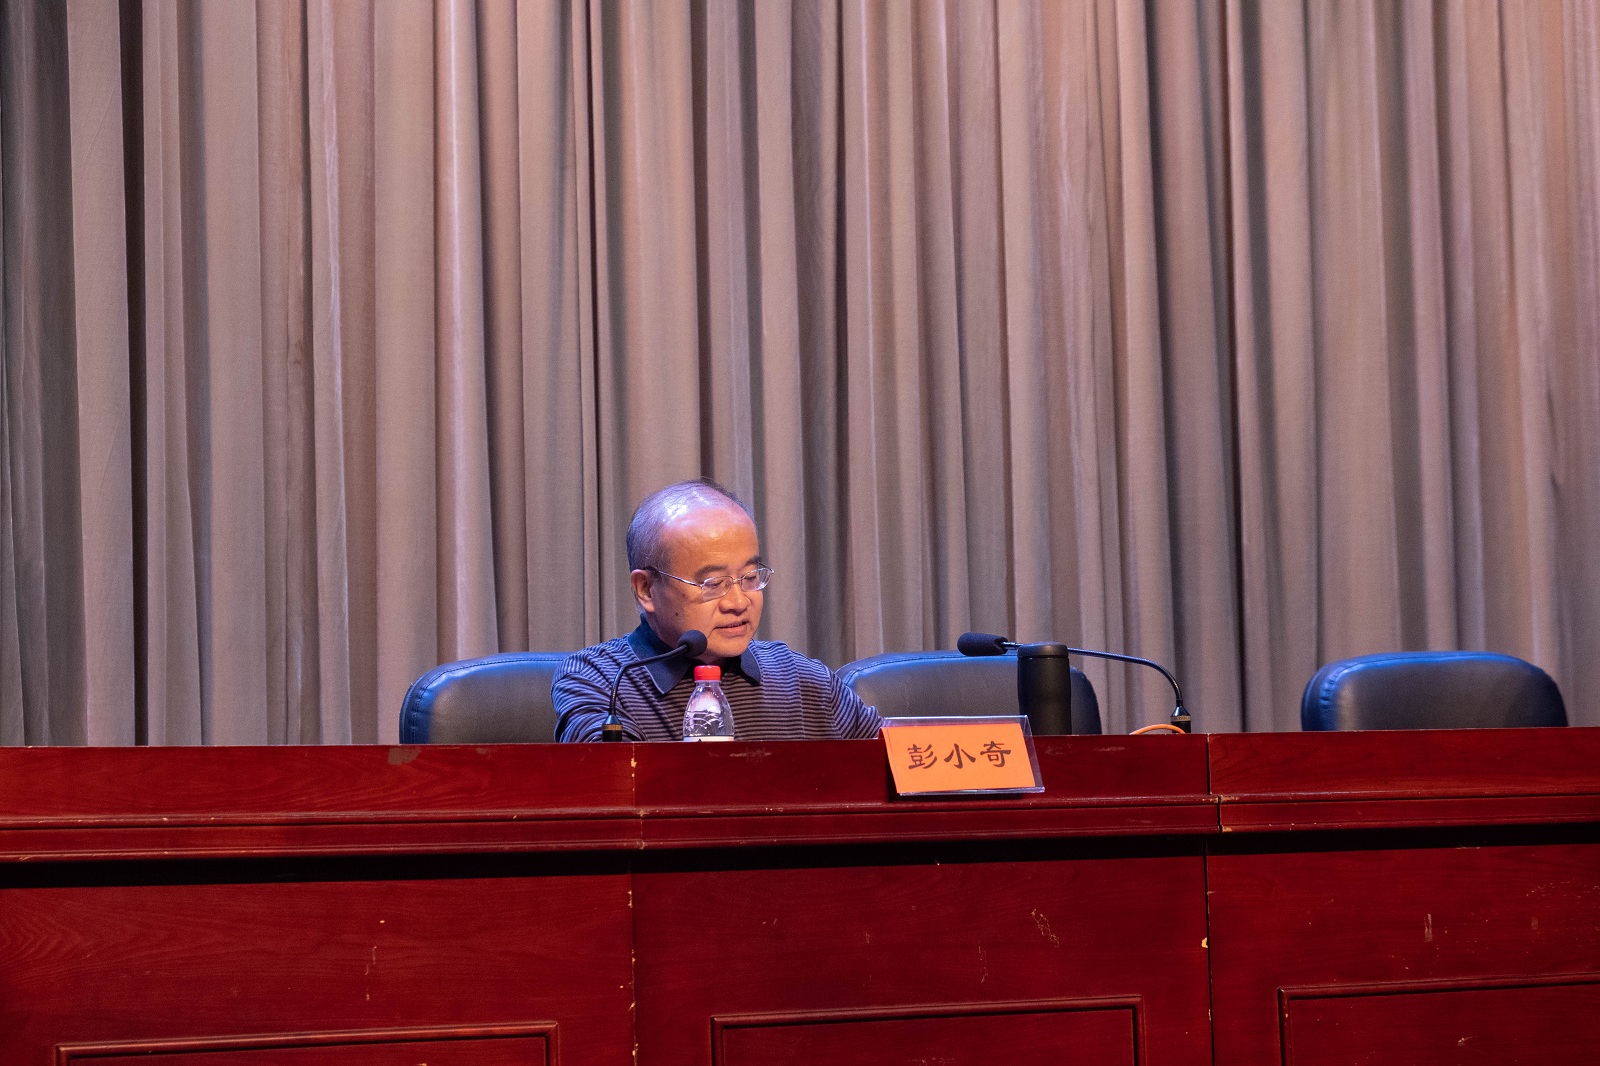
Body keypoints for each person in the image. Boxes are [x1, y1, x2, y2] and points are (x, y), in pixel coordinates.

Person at [553, 479, 882, 742]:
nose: (738, 602)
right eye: (713, 584)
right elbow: (612, 787)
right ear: (646, 589)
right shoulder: (600, 681)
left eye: (750, 578)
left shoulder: (802, 680)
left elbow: (900, 766)